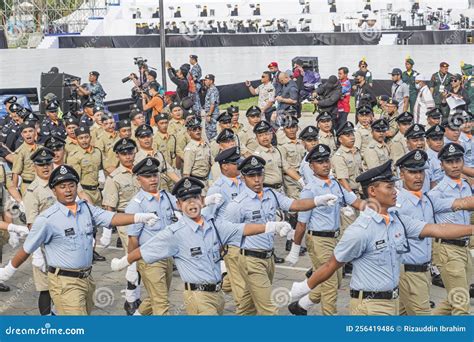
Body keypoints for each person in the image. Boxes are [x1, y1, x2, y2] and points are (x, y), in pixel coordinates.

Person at [288, 160, 474, 316]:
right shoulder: (361, 230)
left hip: (393, 301)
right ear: (372, 192)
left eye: (394, 186)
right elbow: (331, 265)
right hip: (370, 307)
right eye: (389, 187)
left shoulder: (396, 221)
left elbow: (437, 229)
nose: (395, 191)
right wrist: (304, 286)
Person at [111, 176, 292, 316]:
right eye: (186, 199)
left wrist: (271, 226)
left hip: (218, 295)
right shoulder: (175, 232)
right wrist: (125, 263)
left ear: (202, 200)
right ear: (179, 204)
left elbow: (243, 228)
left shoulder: (214, 225)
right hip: (198, 297)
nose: (192, 203)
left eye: (195, 197)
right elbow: (145, 249)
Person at [0, 164, 159, 315]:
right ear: (54, 191)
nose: (68, 190)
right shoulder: (47, 219)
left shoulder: (86, 208)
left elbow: (111, 217)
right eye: (62, 187)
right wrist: (8, 272)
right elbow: (26, 249)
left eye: (71, 185)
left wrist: (139, 217)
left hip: (87, 279)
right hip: (65, 282)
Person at [223, 155, 338, 315]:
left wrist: (317, 201)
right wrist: (270, 226)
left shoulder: (271, 194)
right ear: (243, 178)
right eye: (251, 176)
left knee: (246, 308)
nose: (256, 180)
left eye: (259, 175)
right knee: (269, 309)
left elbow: (294, 204)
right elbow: (228, 231)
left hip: (268, 258)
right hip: (251, 260)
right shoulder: (237, 205)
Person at [287, 144, 364, 315]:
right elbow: (301, 224)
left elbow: (356, 202)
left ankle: (301, 305)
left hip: (336, 238)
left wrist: (380, 207)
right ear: (311, 165)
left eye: (326, 160)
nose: (325, 165)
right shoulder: (310, 190)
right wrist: (295, 248)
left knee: (333, 282)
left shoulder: (335, 184)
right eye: (319, 162)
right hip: (319, 240)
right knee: (329, 287)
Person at [125, 157, 176, 315]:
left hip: (167, 257)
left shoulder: (166, 197)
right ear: (138, 179)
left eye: (155, 175)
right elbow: (133, 238)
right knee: (161, 304)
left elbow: (184, 207)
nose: (153, 180)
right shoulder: (136, 204)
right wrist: (132, 265)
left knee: (157, 296)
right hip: (150, 260)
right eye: (148, 176)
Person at [429, 143, 474, 315]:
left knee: (453, 299)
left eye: (458, 160)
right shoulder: (437, 192)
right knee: (461, 305)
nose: (455, 165)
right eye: (449, 162)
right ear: (441, 165)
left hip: (463, 247)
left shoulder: (465, 185)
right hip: (448, 249)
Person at [101, 138, 142, 315]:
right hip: (126, 221)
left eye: (130, 152)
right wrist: (107, 231)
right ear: (117, 155)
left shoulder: (143, 171)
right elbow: (109, 207)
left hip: (144, 220)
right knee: (133, 258)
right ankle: (131, 300)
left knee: (142, 260)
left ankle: (136, 295)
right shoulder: (114, 178)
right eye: (124, 153)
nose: (128, 156)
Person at [23, 147, 56, 315]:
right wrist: (36, 252)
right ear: (34, 167)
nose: (45, 167)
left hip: (63, 242)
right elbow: (31, 225)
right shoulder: (32, 191)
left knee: (63, 286)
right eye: (41, 164)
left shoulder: (59, 183)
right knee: (46, 288)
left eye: (48, 163)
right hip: (44, 245)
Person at [253, 120, 305, 192]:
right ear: (256, 138)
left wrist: (300, 180)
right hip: (267, 190)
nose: (264, 137)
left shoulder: (276, 150)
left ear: (271, 135)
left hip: (281, 189)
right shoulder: (257, 155)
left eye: (266, 134)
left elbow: (287, 168)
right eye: (260, 135)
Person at [10, 121, 38, 202]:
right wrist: (15, 193)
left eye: (30, 131)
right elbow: (15, 173)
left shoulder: (41, 149)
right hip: (28, 186)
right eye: (25, 132)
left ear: (35, 132)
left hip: (41, 185)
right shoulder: (20, 152)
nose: (28, 134)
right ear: (22, 135)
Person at [182, 117, 211, 194]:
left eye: (199, 128)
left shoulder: (205, 144)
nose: (197, 131)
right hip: (196, 182)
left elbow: (211, 163)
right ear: (189, 132)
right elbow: (186, 173)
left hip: (207, 181)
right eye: (194, 129)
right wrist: (188, 189)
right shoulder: (190, 149)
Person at [203, 74, 220, 140]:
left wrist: (209, 115)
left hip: (212, 114)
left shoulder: (213, 90)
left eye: (206, 80)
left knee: (211, 133)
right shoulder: (210, 89)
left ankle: (214, 148)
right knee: (208, 131)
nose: (205, 82)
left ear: (211, 81)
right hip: (210, 113)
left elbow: (212, 104)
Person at [337, 67, 351, 131]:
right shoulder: (339, 81)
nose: (338, 75)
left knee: (341, 128)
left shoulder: (347, 83)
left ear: (345, 74)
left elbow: (339, 92)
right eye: (338, 73)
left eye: (340, 73)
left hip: (344, 108)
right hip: (338, 108)